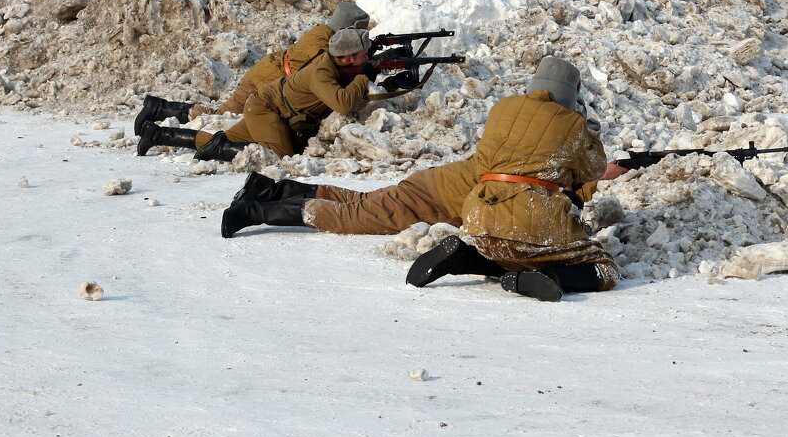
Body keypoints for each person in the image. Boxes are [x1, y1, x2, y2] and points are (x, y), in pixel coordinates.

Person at [226, 58, 623, 302]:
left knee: (359, 202)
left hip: (448, 187)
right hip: (439, 199)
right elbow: (582, 171)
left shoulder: (506, 112)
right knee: (354, 217)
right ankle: (258, 209)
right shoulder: (571, 127)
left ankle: (271, 187)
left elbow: (537, 165)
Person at [133, 0, 376, 132]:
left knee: (221, 114)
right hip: (263, 83)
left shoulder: (323, 33)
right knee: (220, 117)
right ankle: (159, 109)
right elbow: (323, 76)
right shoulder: (325, 47)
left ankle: (160, 109)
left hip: (266, 75)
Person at [138, 28, 374, 161]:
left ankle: (157, 134)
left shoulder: (332, 64)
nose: (368, 59)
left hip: (269, 108)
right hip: (265, 109)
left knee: (225, 139)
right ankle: (217, 149)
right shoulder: (322, 71)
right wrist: (363, 77)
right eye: (365, 55)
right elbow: (343, 104)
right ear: (348, 57)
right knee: (280, 157)